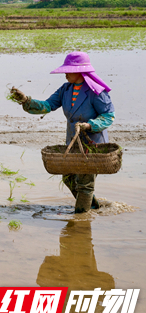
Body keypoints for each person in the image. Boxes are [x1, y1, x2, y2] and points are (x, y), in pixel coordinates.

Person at [11, 52, 115, 213]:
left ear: (80, 71)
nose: (65, 74)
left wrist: (90, 125)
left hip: (92, 144)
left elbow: (108, 116)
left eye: (68, 70)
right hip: (72, 141)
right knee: (68, 176)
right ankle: (93, 206)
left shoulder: (96, 91)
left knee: (85, 184)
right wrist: (26, 100)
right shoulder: (66, 89)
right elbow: (47, 106)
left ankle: (81, 220)